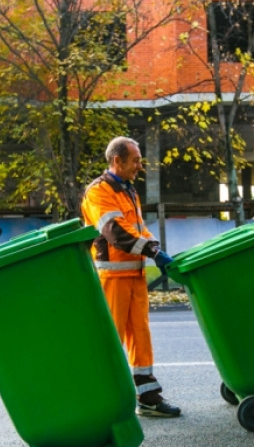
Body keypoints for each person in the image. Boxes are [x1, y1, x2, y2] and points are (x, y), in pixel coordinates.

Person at [81, 136, 181, 418]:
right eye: (135, 160)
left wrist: (156, 248)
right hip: (111, 278)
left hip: (134, 275)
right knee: (110, 340)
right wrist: (153, 251)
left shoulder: (129, 191)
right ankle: (100, 401)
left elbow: (138, 229)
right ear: (117, 161)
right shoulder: (98, 191)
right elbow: (115, 232)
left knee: (140, 336)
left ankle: (147, 397)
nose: (140, 165)